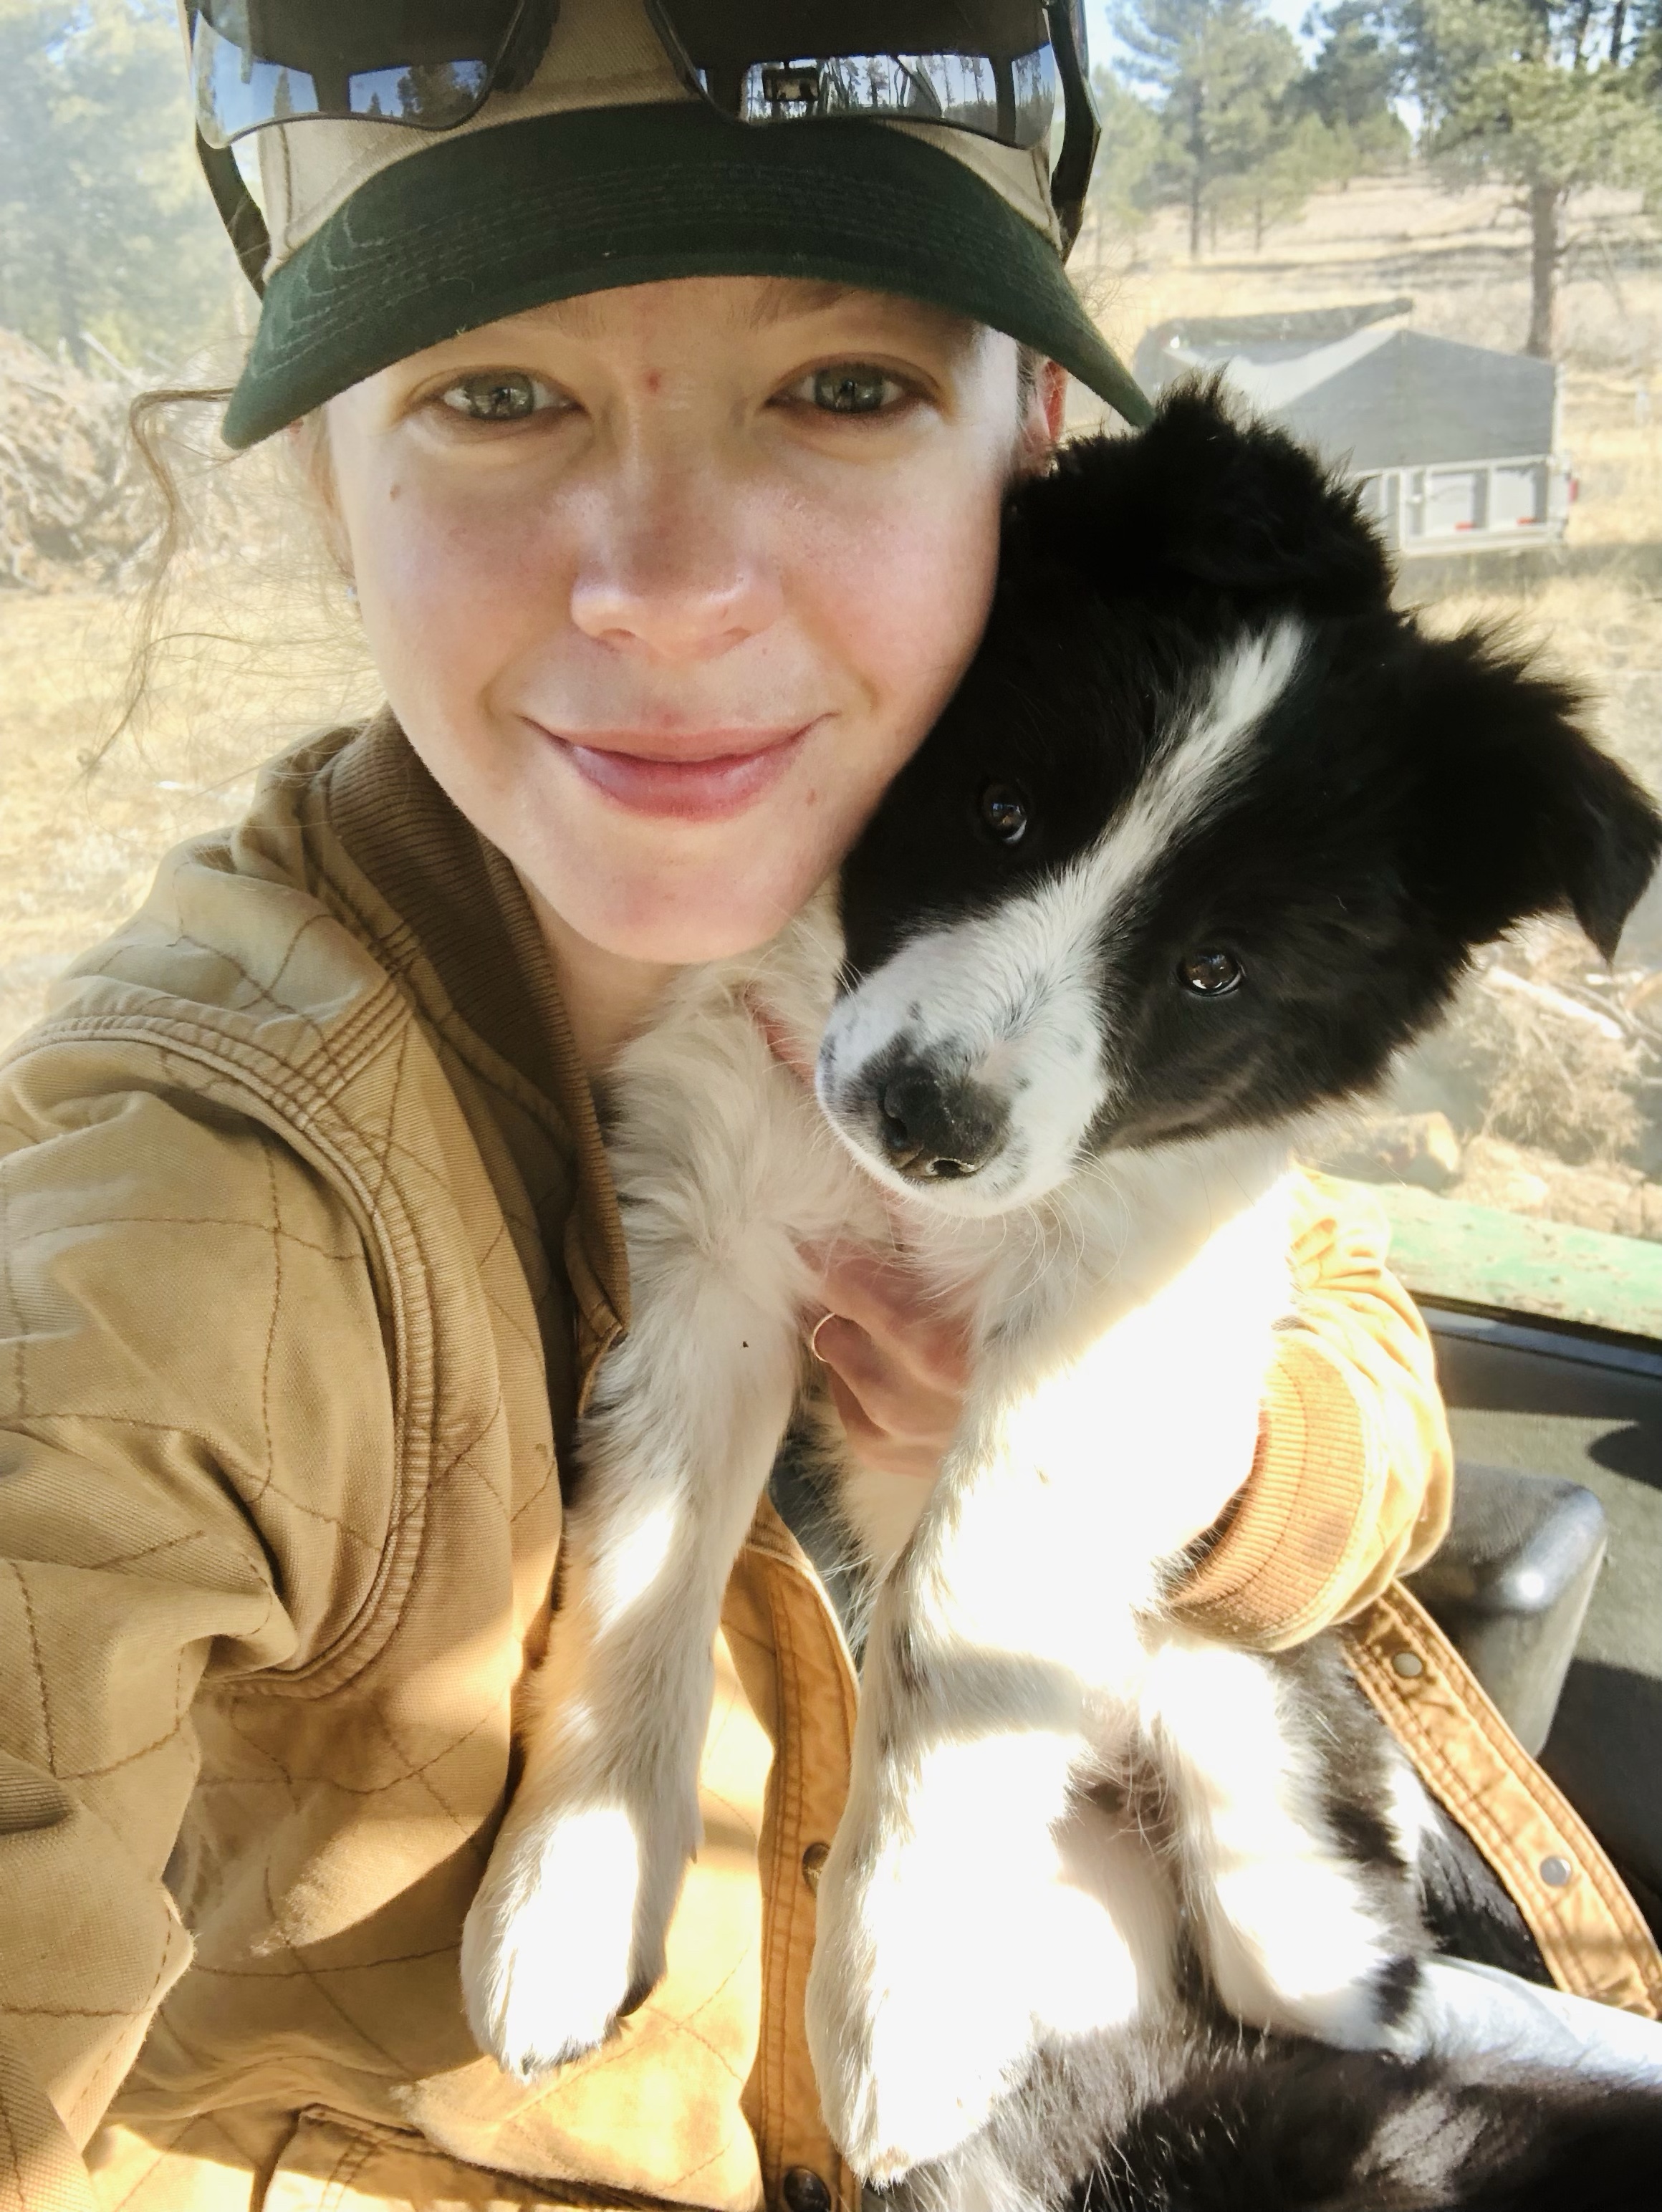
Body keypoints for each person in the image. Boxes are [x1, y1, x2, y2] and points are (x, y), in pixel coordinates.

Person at [1, 5, 1658, 2208]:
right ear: (320, 469)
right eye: (493, 393)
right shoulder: (182, 1231)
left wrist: (1210, 1457)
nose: (672, 592)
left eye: (847, 386)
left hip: (1205, 1956)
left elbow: (1330, 1321)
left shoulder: (1051, 843)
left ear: (1029, 450)